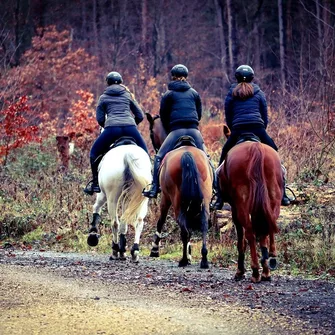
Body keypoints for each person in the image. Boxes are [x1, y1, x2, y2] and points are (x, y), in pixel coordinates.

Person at [213, 65, 290, 208]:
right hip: (258, 128)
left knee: (222, 159)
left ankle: (218, 198)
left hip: (238, 130)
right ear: (252, 77)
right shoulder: (259, 93)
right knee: (275, 155)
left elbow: (228, 116)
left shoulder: (231, 94)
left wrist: (234, 128)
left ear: (236, 78)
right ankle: (284, 195)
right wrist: (261, 130)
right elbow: (264, 115)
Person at [142, 64, 214, 199]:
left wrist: (171, 127)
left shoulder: (168, 94)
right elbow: (198, 115)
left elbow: (163, 116)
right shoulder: (194, 93)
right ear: (186, 77)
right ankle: (215, 188)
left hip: (176, 131)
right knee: (207, 158)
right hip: (194, 131)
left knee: (158, 157)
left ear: (172, 77)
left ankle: (154, 187)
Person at [84, 71, 149, 195]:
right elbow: (140, 115)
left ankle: (95, 183)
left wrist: (107, 127)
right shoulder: (128, 95)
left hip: (112, 129)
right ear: (121, 82)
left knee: (94, 153)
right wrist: (132, 124)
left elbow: (100, 119)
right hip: (130, 128)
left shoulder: (103, 97)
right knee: (145, 153)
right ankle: (151, 183)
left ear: (107, 83)